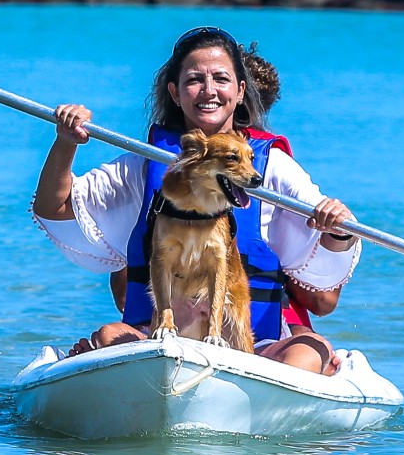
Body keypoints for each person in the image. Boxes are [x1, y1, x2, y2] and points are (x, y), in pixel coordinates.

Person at [33, 27, 363, 376]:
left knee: (310, 351)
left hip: (250, 340)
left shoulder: (272, 168)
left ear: (240, 92)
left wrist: (339, 229)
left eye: (221, 79)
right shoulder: (146, 164)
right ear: (175, 93)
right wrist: (66, 141)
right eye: (194, 80)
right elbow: (54, 209)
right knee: (109, 335)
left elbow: (324, 285)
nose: (208, 91)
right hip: (162, 335)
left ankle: (277, 392)